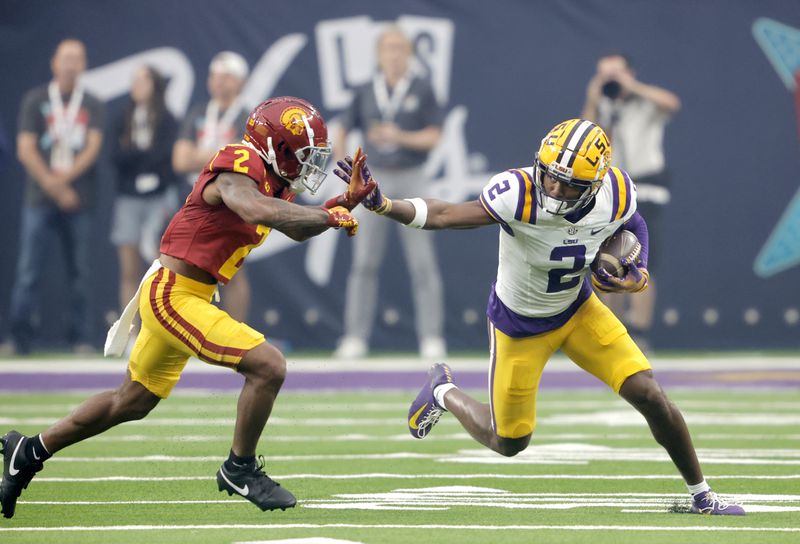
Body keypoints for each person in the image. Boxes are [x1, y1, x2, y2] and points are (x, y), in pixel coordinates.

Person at [338, 118, 744, 515]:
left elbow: (633, 224)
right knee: (509, 442)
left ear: (595, 185)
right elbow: (445, 214)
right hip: (519, 325)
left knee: (650, 394)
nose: (554, 187)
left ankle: (702, 495)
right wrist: (384, 204)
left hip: (578, 310)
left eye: (569, 184)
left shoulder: (615, 191)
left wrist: (635, 270)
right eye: (550, 176)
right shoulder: (517, 192)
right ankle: (443, 391)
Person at [1, 96, 374, 518]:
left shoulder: (273, 180)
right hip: (173, 294)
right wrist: (328, 217)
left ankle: (29, 450)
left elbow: (293, 225)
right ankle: (240, 468)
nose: (306, 165)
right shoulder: (239, 162)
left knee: (131, 401)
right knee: (269, 366)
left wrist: (344, 203)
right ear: (274, 147)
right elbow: (254, 208)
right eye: (299, 154)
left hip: (187, 293)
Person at [333, 26, 446, 360]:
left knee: (422, 261)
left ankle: (431, 336)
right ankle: (355, 335)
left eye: (400, 48)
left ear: (409, 53)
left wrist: (399, 137)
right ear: (379, 54)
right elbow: (341, 127)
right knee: (364, 260)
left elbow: (434, 136)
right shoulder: (366, 89)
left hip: (412, 176)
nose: (394, 54)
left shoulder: (422, 88)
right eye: (389, 48)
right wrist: (348, 167)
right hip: (374, 178)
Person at [2, 38, 105, 355]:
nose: (71, 64)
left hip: (79, 198)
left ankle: (81, 338)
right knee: (28, 270)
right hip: (40, 198)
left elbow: (92, 147)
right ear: (54, 63)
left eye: (77, 58)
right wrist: (54, 185)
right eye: (66, 58)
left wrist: (65, 181)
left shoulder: (92, 102)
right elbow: (25, 148)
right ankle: (19, 340)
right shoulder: (35, 100)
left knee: (80, 273)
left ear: (84, 64)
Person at [581, 52, 681, 352]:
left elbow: (671, 103)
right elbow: (583, 137)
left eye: (615, 72)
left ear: (630, 73)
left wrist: (632, 87)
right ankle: (611, 329)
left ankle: (640, 331)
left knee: (638, 259)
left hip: (646, 187)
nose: (610, 78)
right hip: (611, 190)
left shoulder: (645, 102)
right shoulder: (604, 107)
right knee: (606, 260)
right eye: (604, 72)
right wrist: (595, 97)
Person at [172, 51, 253, 323]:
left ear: (240, 82)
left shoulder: (249, 116)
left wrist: (203, 156)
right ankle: (190, 330)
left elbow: (245, 162)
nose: (219, 82)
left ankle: (237, 333)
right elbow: (180, 160)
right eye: (215, 76)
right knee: (184, 266)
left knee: (233, 270)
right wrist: (221, 155)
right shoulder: (198, 113)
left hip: (231, 200)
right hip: (195, 199)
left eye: (227, 76)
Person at [110, 65, 179, 316]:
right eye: (134, 79)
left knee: (161, 266)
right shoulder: (122, 118)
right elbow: (116, 157)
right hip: (128, 198)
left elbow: (166, 157)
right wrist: (143, 155)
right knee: (129, 268)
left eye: (144, 80)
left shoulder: (168, 119)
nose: (137, 85)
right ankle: (129, 333)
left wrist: (136, 155)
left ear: (155, 85)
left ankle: (162, 326)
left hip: (160, 197)